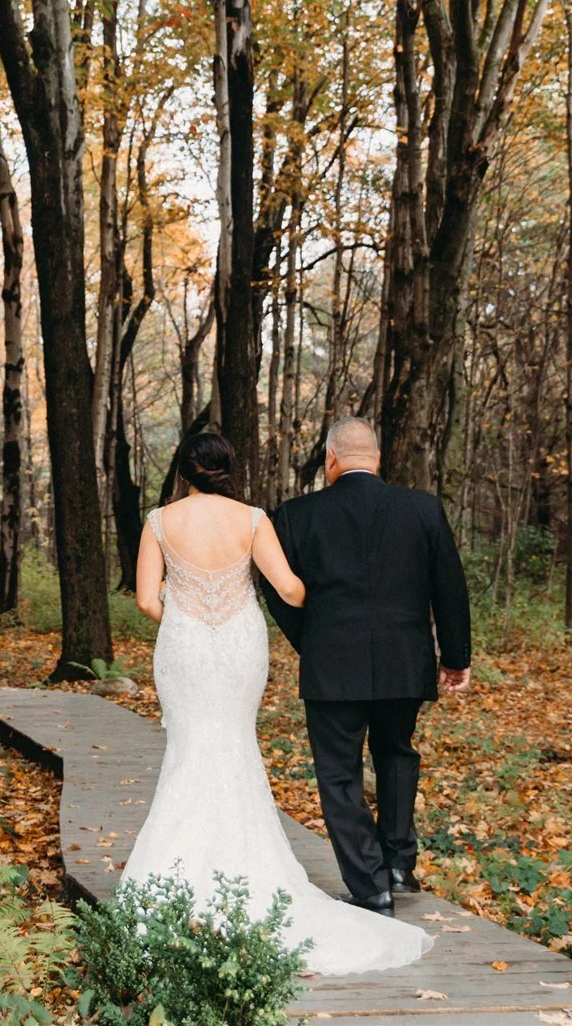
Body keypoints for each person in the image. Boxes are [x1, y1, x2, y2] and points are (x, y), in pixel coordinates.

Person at [121, 428, 434, 977]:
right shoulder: (253, 519)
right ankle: (252, 872)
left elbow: (148, 599)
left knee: (190, 747)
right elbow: (290, 590)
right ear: (227, 468)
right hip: (242, 645)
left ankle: (172, 876)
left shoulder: (159, 521)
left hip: (186, 647)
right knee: (236, 744)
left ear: (184, 471)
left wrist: (189, 619)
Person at [265, 416, 471, 915]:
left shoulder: (295, 515)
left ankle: (370, 885)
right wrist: (455, 658)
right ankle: (399, 865)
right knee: (396, 754)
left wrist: (311, 641)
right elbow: (450, 586)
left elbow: (278, 591)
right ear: (377, 459)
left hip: (332, 665)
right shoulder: (422, 509)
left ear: (331, 459)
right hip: (405, 662)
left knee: (339, 775)